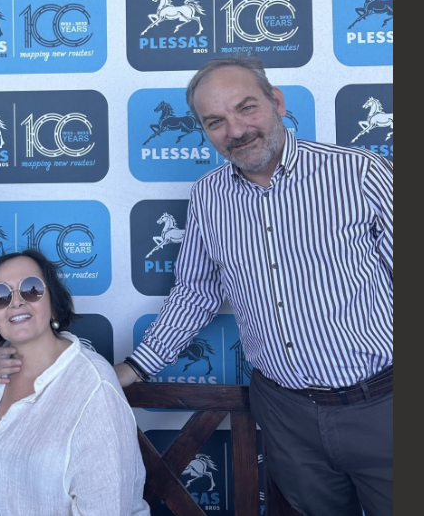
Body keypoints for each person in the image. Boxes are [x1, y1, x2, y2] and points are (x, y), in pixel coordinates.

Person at [115, 55, 393, 516]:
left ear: (276, 102)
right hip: (286, 417)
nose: (236, 131)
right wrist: (134, 369)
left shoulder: (359, 173)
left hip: (383, 404)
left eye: (246, 108)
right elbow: (196, 292)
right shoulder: (209, 195)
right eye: (215, 121)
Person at [0, 249, 150, 516]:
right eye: (0, 295)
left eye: (31, 289)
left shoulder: (95, 387)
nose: (16, 302)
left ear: (53, 302)